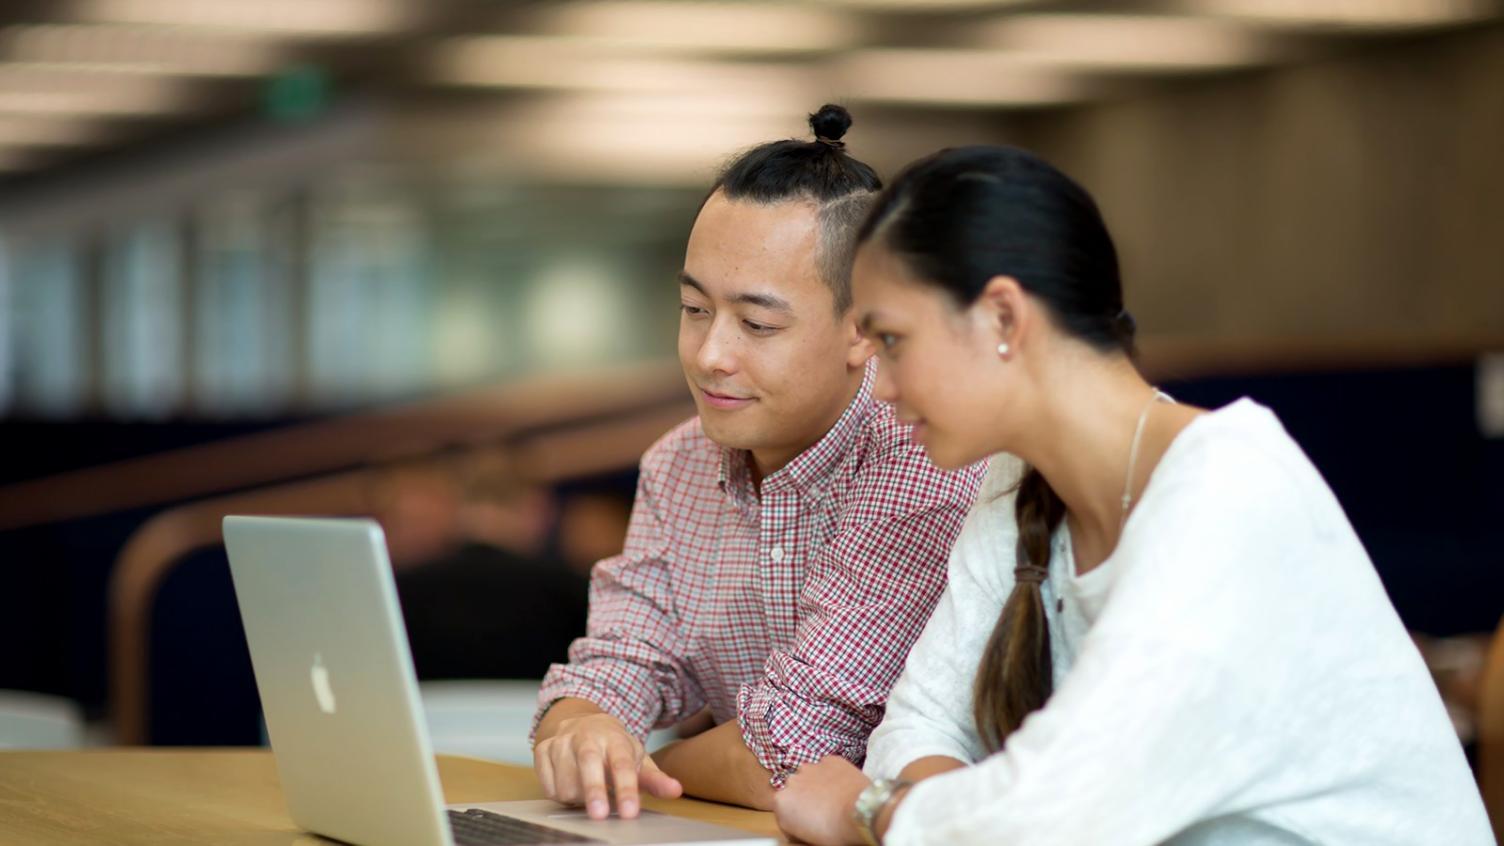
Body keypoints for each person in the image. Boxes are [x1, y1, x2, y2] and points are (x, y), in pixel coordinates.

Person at [772, 145, 1494, 845]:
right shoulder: (1017, 481)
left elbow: (1064, 812)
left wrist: (870, 814)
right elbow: (921, 724)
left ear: (1002, 318)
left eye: (892, 341)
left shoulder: (1231, 488)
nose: (884, 388)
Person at [530, 107, 988, 819]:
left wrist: (641, 767)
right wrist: (584, 727)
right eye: (693, 308)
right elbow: (621, 659)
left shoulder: (924, 459)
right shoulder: (679, 464)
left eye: (757, 323)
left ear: (865, 329)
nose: (711, 354)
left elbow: (793, 754)